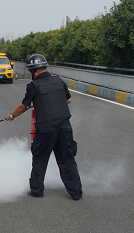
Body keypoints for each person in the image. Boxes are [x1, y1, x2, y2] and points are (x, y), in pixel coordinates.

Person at [5, 54, 82, 200]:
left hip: (46, 128)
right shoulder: (59, 80)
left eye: (30, 71)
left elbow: (23, 106)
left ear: (35, 71)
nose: (30, 74)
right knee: (67, 159)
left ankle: (36, 190)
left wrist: (12, 115)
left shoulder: (33, 86)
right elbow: (69, 100)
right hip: (64, 126)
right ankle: (76, 192)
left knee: (40, 158)